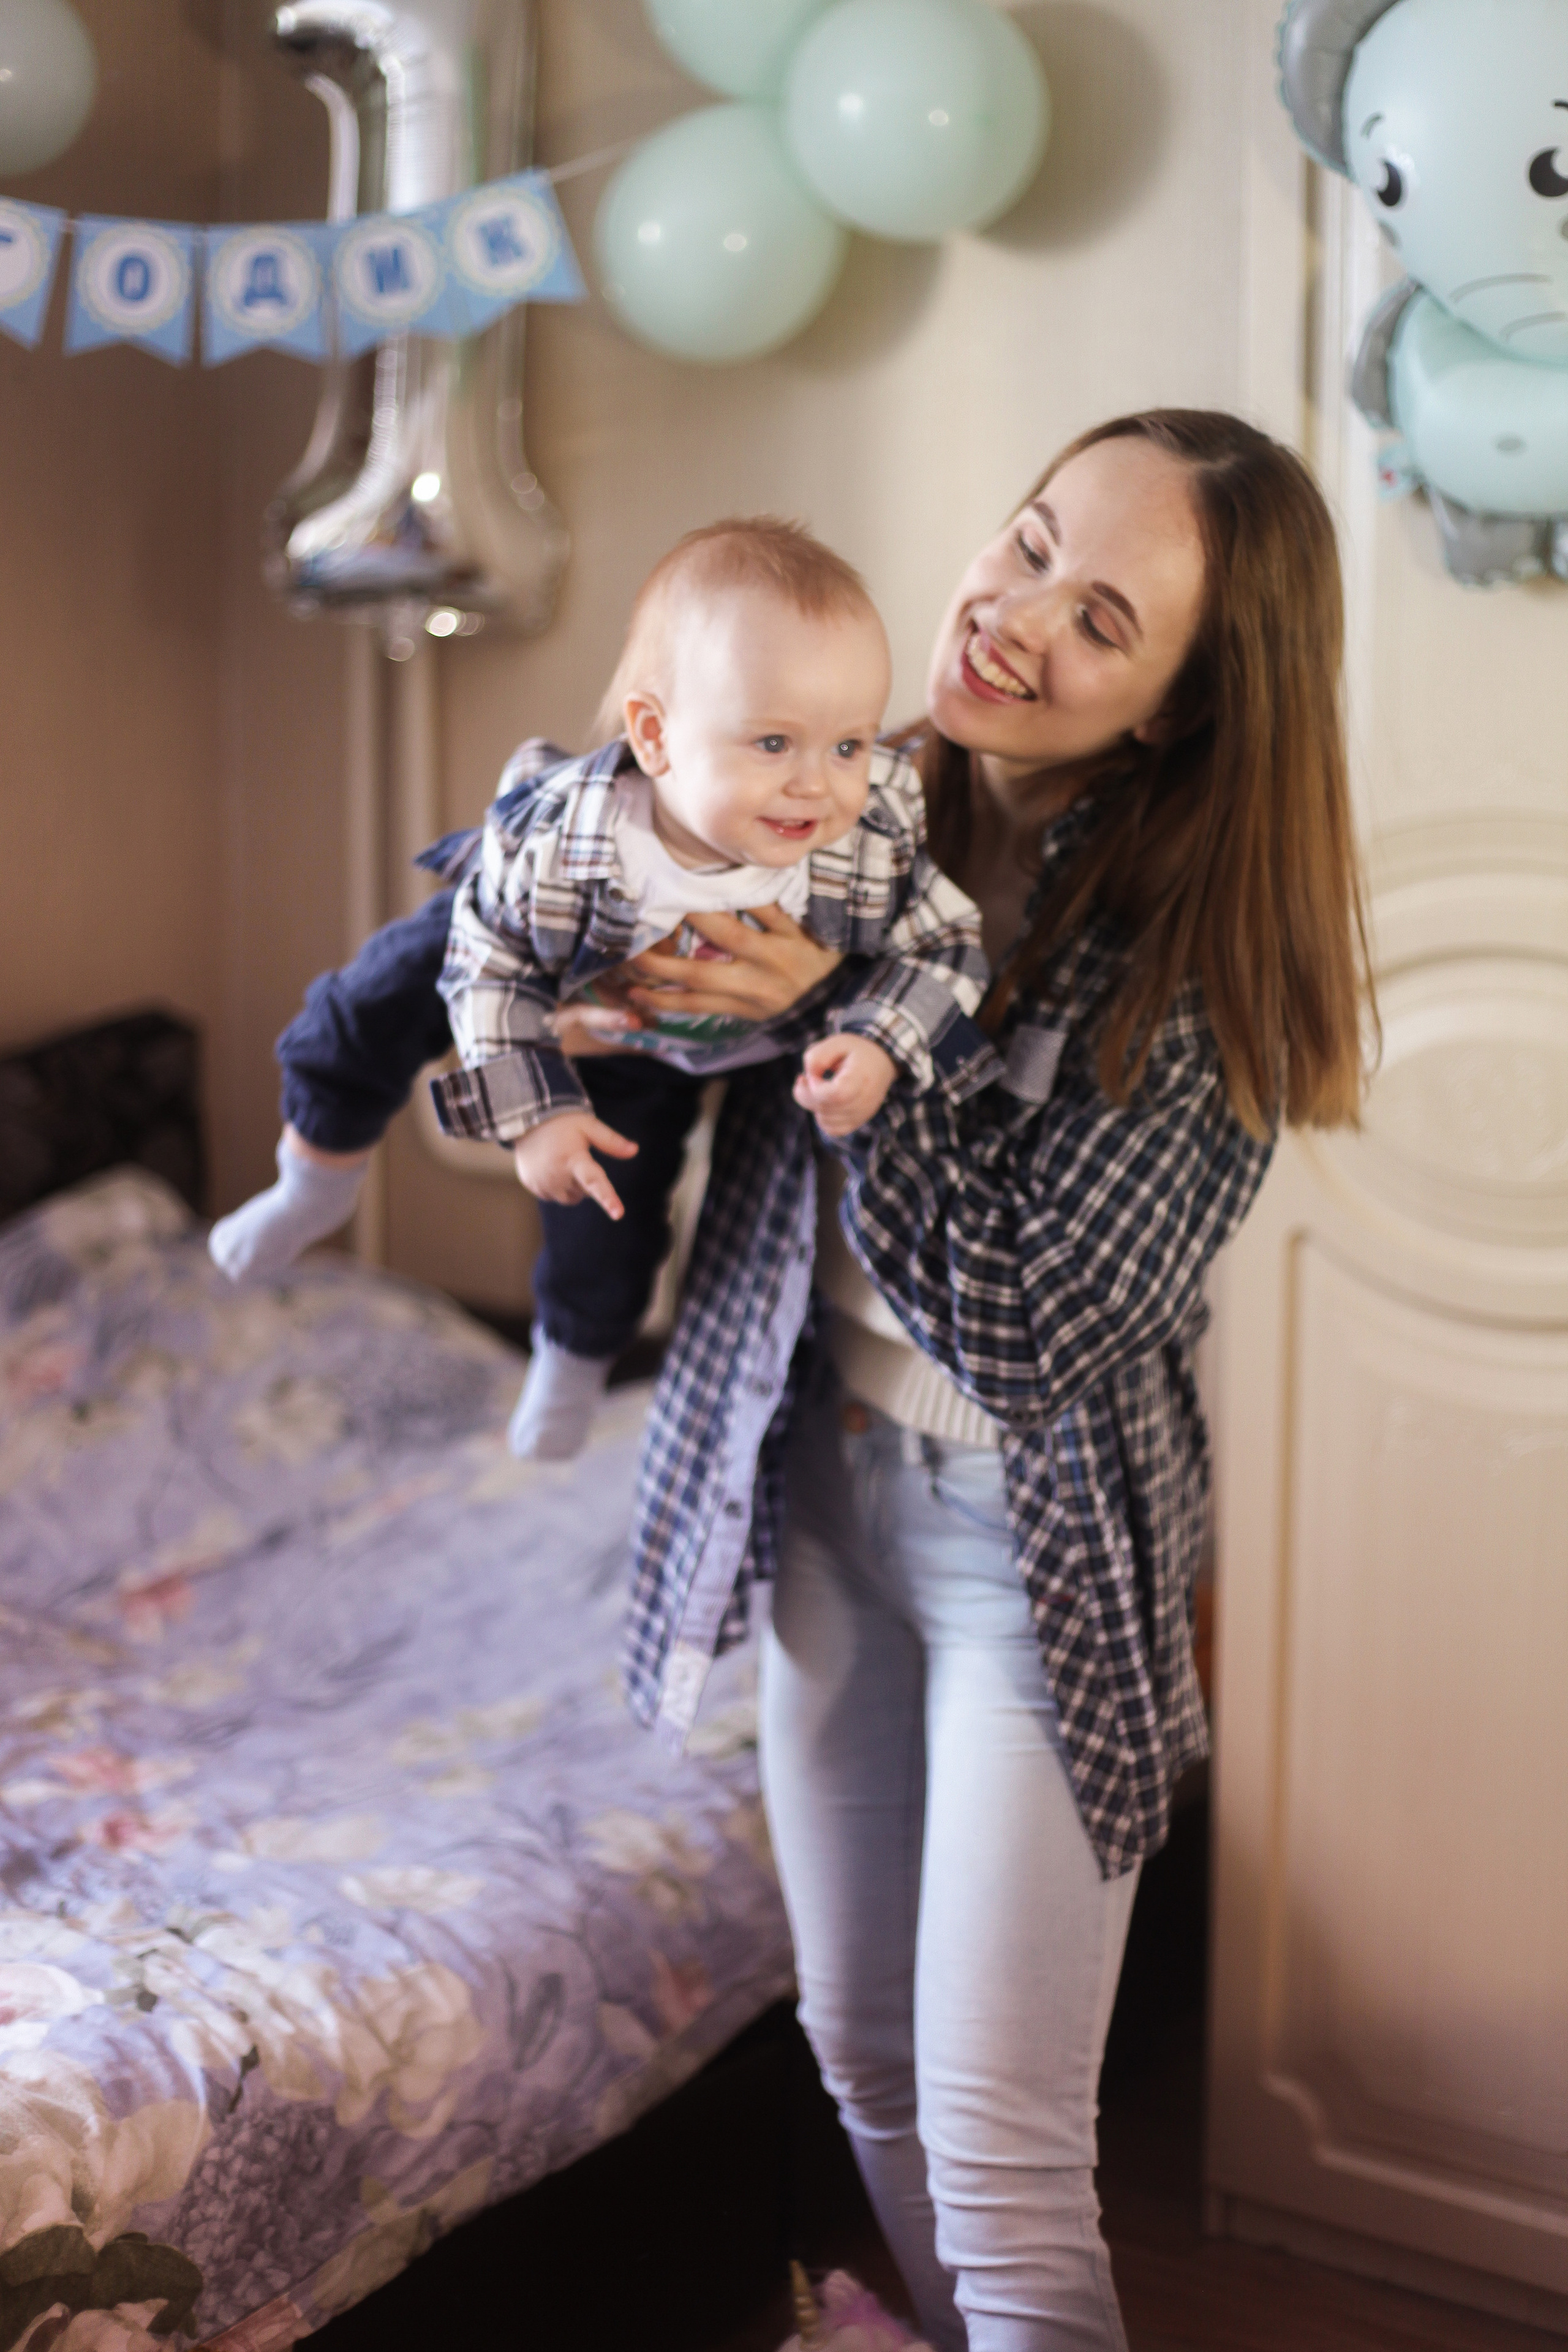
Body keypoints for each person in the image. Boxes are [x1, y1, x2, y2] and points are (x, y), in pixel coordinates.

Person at [606, 412, 1371, 2352]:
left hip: (1032, 1553)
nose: (1010, 619)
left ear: (1183, 715)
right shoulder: (852, 807)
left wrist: (837, 1023)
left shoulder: (1201, 954)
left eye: (1098, 617)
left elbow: (1022, 1326)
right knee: (860, 2050)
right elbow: (622, 1013)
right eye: (1026, 544)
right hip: (824, 1496)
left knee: (1002, 2140)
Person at [209, 518, 992, 1459]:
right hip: (533, 947)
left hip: (662, 1041)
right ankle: (316, 1176)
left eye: (849, 746)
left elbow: (948, 945)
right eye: (774, 741)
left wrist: (874, 1037)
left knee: (611, 1217)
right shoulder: (570, 842)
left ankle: (574, 1357)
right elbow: (489, 963)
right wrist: (532, 1108)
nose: (816, 788)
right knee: (369, 1002)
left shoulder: (865, 845)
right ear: (656, 738)